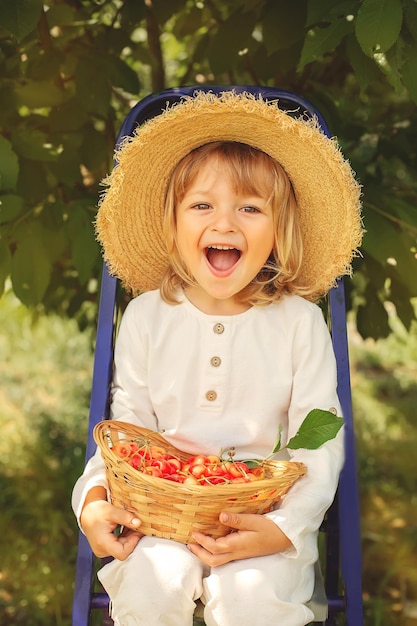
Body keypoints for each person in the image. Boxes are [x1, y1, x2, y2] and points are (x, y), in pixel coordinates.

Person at [72, 90, 363, 626]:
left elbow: (318, 439)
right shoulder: (148, 318)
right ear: (174, 223)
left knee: (254, 598)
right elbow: (126, 431)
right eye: (202, 205)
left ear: (278, 230)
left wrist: (286, 526)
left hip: (262, 519)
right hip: (158, 519)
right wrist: (92, 499)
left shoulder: (298, 323)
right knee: (150, 587)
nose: (225, 224)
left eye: (250, 208)